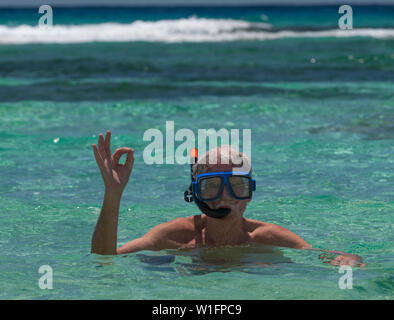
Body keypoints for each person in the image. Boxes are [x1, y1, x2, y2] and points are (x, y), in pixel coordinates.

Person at [91, 130, 364, 267]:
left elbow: (322, 257)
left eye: (236, 186)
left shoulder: (266, 238)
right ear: (195, 195)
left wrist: (344, 259)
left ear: (248, 195)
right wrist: (113, 194)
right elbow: (104, 259)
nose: (225, 197)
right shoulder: (174, 236)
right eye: (211, 187)